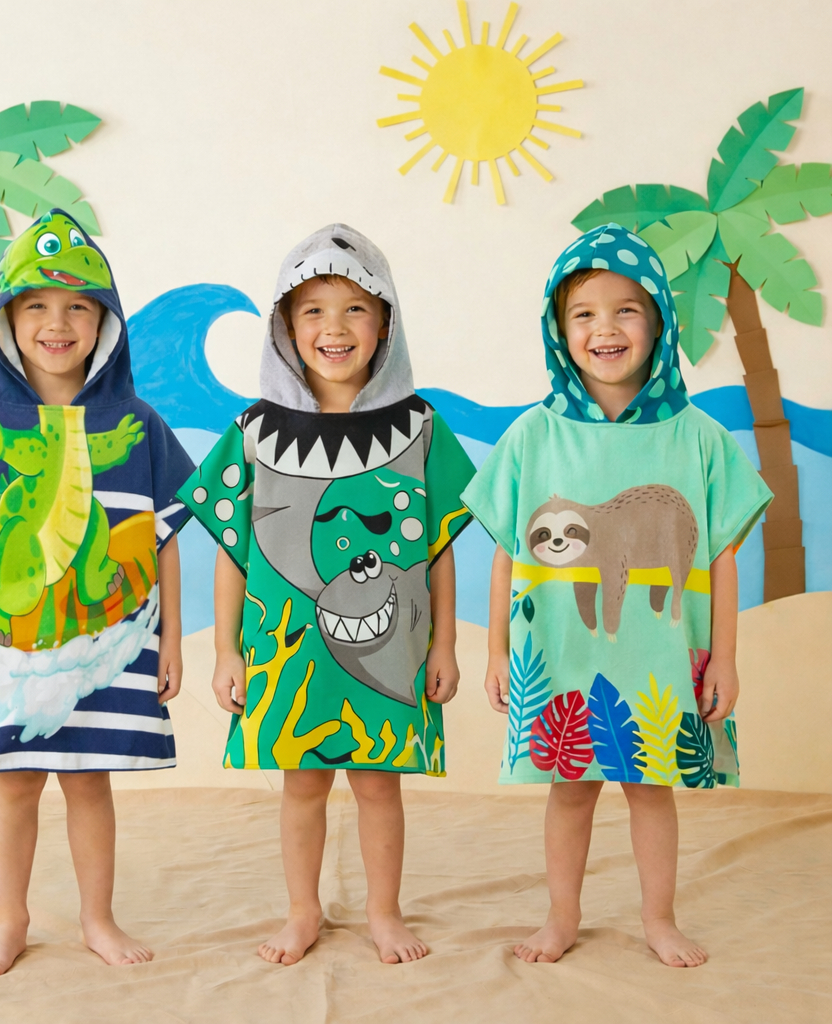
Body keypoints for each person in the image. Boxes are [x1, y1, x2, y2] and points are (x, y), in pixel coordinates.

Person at [462, 224, 772, 967]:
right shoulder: (532, 436)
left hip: (659, 657)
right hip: (562, 656)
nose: (605, 329)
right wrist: (499, 650)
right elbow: (507, 552)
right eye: (584, 313)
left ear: (660, 322)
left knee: (651, 790)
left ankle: (658, 918)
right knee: (568, 790)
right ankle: (560, 917)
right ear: (558, 329)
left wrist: (725, 659)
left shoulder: (698, 437)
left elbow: (722, 554)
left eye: (627, 310)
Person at [0, 210, 194, 975]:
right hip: (5, 648)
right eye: (35, 305)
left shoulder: (137, 424)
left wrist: (171, 637)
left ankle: (98, 918)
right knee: (14, 784)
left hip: (109, 642)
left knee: (91, 780)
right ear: (5, 318)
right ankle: (11, 918)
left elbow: (163, 537)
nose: (57, 324)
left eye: (78, 307)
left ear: (105, 322)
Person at [178, 224, 475, 965]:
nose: (334, 328)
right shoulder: (254, 432)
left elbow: (438, 546)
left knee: (379, 787)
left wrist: (444, 643)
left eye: (355, 309)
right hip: (290, 657)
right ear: (284, 325)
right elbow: (232, 552)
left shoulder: (420, 428)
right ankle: (302, 911)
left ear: (385, 324)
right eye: (313, 310)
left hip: (389, 655)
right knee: (302, 788)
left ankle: (383, 912)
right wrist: (225, 652)